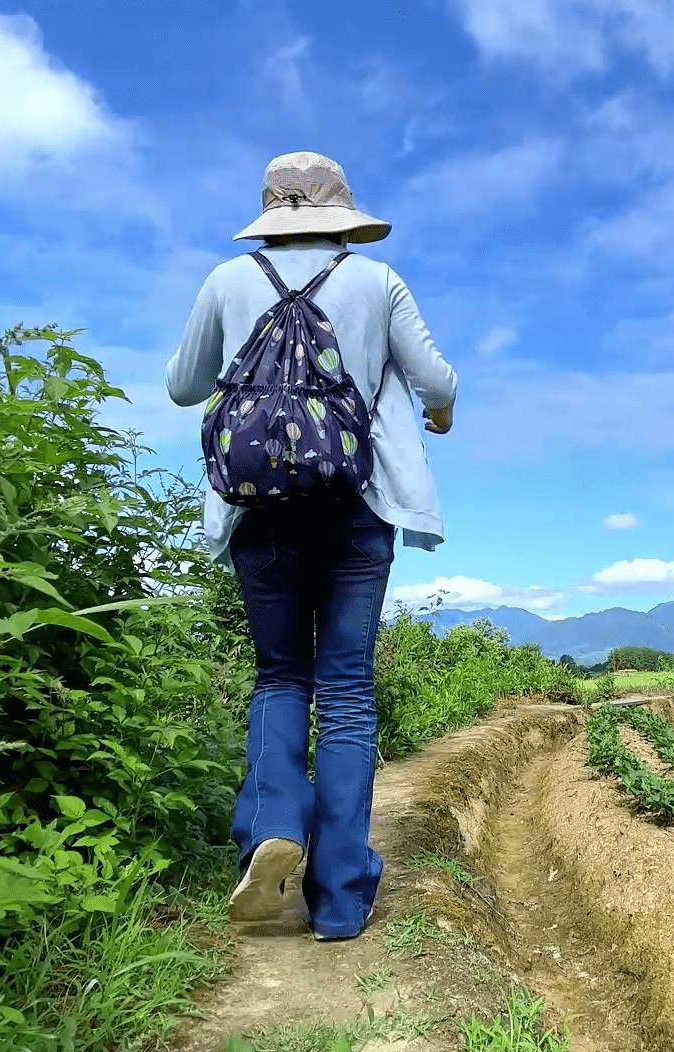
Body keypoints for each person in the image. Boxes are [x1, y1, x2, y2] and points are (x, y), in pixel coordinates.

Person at [166, 151, 457, 942]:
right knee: (349, 693)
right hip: (355, 508)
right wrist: (440, 413)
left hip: (257, 511)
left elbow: (183, 386)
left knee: (279, 677)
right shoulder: (379, 280)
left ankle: (269, 827)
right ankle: (337, 898)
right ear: (340, 214)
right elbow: (436, 378)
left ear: (270, 211)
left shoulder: (227, 281)